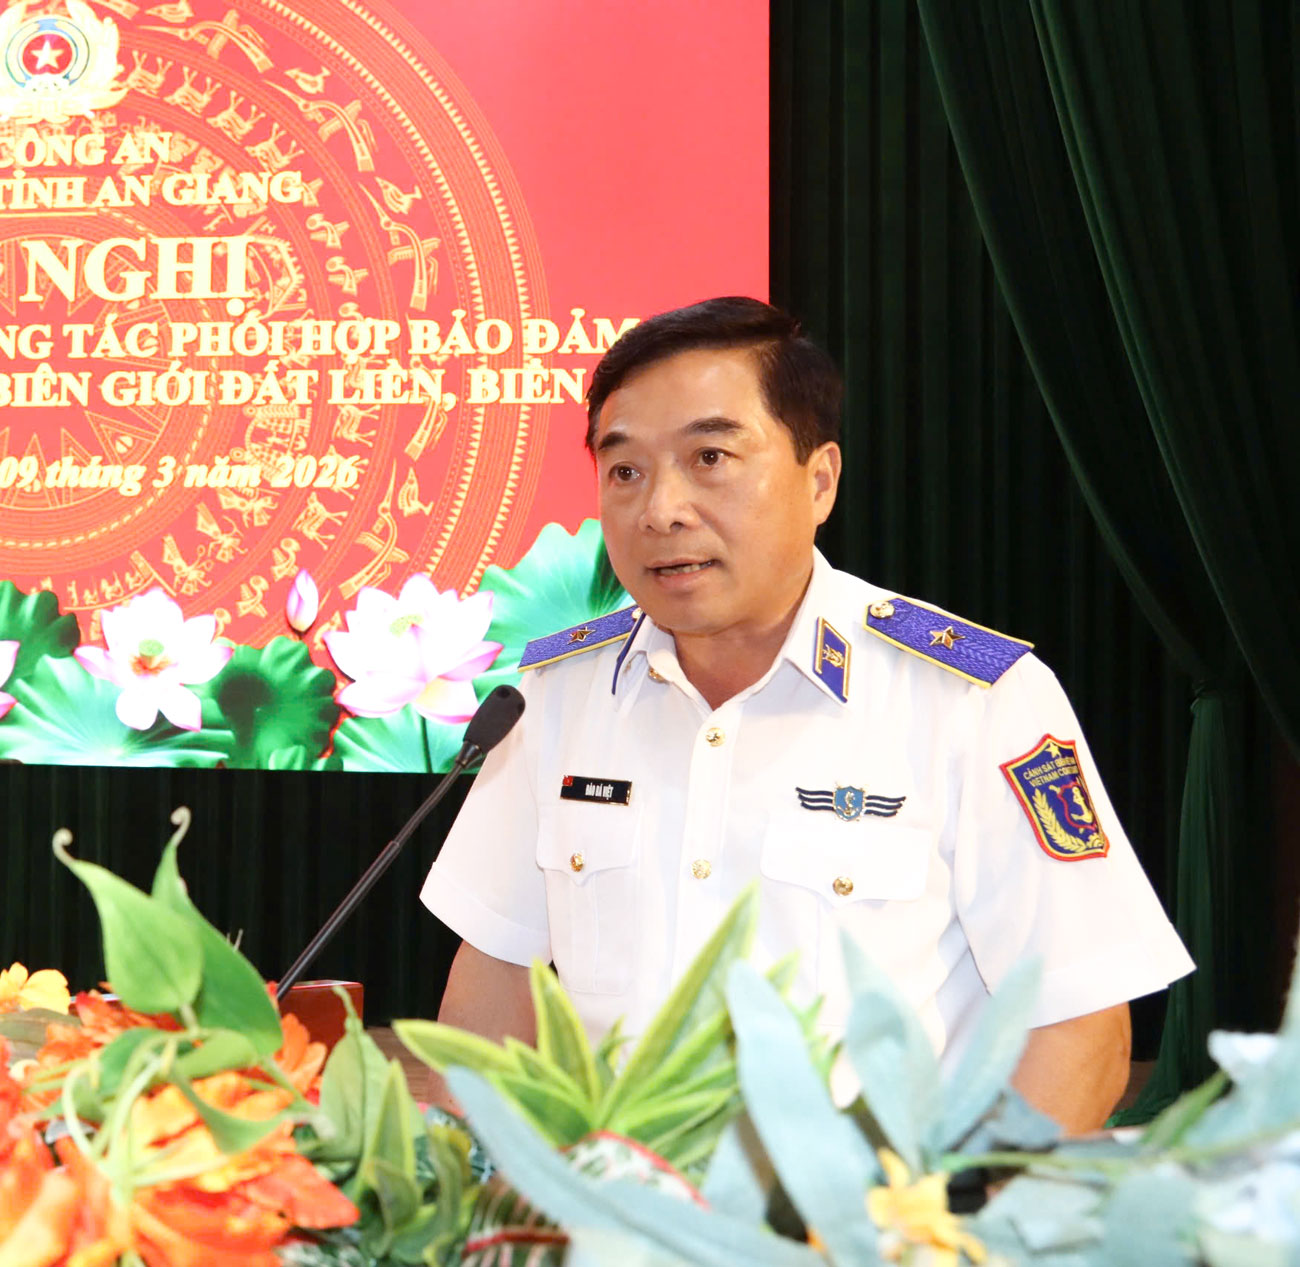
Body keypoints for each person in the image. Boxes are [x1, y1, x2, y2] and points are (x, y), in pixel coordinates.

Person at [419, 297, 1193, 1134]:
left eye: (710, 457)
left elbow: (1078, 1026)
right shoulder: (556, 696)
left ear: (819, 480)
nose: (661, 509)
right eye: (626, 471)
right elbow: (494, 983)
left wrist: (951, 1210)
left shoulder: (972, 700)